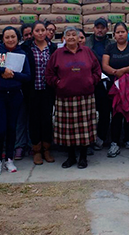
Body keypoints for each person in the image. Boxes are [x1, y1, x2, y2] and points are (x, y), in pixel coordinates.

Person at [46, 27, 101, 169]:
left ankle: (83, 157)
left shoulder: (87, 52)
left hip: (85, 97)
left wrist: (91, 80)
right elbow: (49, 74)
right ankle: (70, 157)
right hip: (65, 98)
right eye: (68, 35)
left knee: (85, 129)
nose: (71, 37)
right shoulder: (58, 54)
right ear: (63, 39)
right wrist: (59, 84)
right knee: (68, 130)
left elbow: (97, 70)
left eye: (74, 35)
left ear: (78, 38)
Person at [0, 26, 31, 176]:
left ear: (18, 38)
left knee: (11, 128)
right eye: (7, 37)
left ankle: (9, 159)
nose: (10, 40)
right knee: (0, 129)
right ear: (2, 39)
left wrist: (13, 74)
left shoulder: (22, 53)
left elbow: (27, 76)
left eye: (13, 37)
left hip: (15, 95)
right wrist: (2, 70)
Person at [102, 23, 129, 158]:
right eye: (118, 32)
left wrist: (123, 71)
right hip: (116, 86)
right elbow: (104, 65)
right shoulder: (110, 48)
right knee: (116, 114)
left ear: (127, 33)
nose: (120, 34)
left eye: (123, 32)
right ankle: (114, 143)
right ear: (114, 35)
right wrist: (115, 72)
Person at [20, 21, 58, 165]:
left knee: (47, 120)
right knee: (34, 120)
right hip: (32, 90)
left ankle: (46, 149)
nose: (41, 33)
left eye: (43, 30)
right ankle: (36, 150)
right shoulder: (26, 47)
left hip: (48, 90)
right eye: (38, 30)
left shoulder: (52, 48)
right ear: (33, 33)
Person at [85, 18, 114, 150]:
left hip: (108, 81)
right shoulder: (87, 43)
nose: (100, 30)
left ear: (107, 30)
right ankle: (89, 139)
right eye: (98, 27)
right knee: (90, 112)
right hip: (92, 81)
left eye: (103, 27)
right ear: (93, 28)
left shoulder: (111, 43)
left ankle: (101, 137)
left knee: (105, 111)